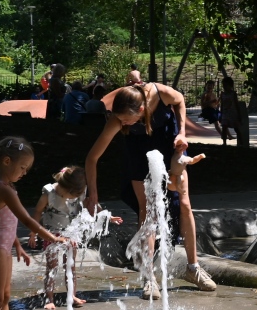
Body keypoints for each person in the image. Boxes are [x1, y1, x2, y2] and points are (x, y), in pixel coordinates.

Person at [84, 81, 217, 293]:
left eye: (126, 119)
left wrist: (182, 132)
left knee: (184, 204)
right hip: (139, 152)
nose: (122, 123)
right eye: (120, 119)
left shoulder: (160, 93)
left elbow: (180, 100)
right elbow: (92, 158)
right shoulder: (118, 120)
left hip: (169, 144)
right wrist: (93, 194)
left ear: (141, 109)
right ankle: (148, 277)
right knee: (148, 211)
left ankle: (194, 268)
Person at [0, 136, 70, 310]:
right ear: (7, 161)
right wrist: (52, 237)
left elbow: (5, 222)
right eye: (22, 167)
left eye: (27, 169)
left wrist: (18, 246)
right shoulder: (2, 189)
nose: (24, 173)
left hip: (3, 246)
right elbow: (26, 220)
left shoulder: (7, 187)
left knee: (5, 297)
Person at [32, 165, 89, 310]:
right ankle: (49, 299)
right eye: (73, 195)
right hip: (51, 235)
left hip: (71, 233)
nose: (75, 198)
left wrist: (107, 216)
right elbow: (38, 211)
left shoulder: (78, 191)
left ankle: (72, 295)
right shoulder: (49, 193)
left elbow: (91, 206)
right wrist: (33, 231)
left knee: (70, 266)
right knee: (52, 267)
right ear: (66, 189)